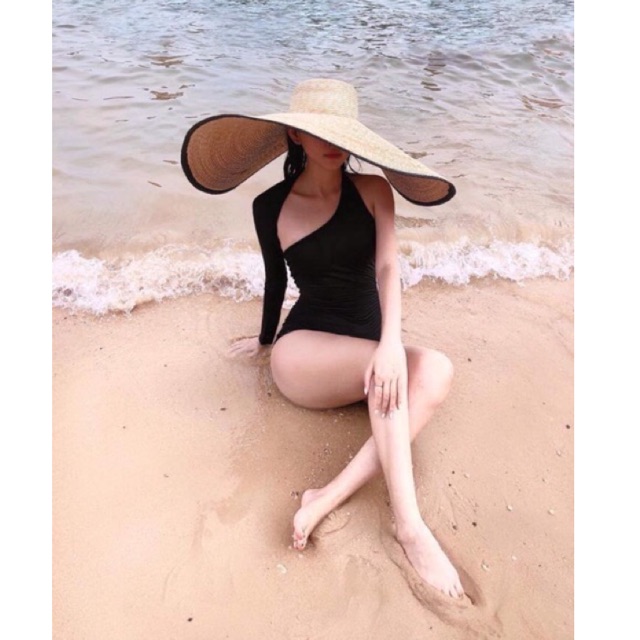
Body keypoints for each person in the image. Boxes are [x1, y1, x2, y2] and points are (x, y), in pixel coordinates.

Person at [181, 78, 464, 598]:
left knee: (438, 369)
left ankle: (328, 495)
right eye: (319, 132)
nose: (333, 144)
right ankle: (410, 528)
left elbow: (387, 268)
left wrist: (391, 344)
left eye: (342, 133)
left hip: (368, 344)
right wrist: (264, 341)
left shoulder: (374, 190)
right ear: (296, 134)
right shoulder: (268, 206)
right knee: (384, 376)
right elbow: (275, 280)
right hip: (304, 352)